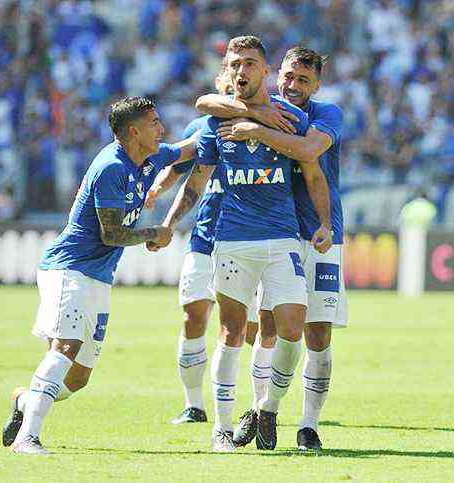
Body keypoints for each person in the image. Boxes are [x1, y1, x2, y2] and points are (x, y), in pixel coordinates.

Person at [152, 36, 332, 452]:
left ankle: (266, 407)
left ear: (265, 71)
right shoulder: (215, 120)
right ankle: (221, 429)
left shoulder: (290, 118)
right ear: (227, 70)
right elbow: (197, 171)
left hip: (282, 237)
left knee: (291, 331)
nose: (241, 71)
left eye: (250, 63)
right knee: (232, 332)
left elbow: (312, 172)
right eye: (235, 64)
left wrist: (324, 223)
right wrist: (160, 193)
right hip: (232, 240)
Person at [2, 97, 196, 455]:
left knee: (79, 378)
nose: (162, 129)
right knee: (65, 348)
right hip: (69, 269)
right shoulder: (111, 167)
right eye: (155, 123)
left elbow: (189, 149)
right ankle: (27, 438)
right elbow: (111, 234)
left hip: (99, 276)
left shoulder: (149, 156)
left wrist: (236, 120)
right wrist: (155, 233)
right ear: (134, 132)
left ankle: (26, 401)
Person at [196, 46, 345, 452]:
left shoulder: (319, 117)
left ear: (317, 84)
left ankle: (303, 423)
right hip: (254, 236)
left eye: (304, 80)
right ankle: (250, 415)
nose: (294, 86)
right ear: (274, 74)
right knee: (260, 329)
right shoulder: (233, 113)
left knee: (315, 332)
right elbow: (204, 104)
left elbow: (309, 156)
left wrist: (258, 128)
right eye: (290, 77)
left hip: (313, 232)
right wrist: (256, 114)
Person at [143, 69, 261, 425]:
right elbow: (181, 170)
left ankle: (259, 405)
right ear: (219, 89)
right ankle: (194, 405)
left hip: (249, 239)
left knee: (252, 328)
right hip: (206, 237)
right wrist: (157, 193)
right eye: (226, 85)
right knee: (194, 314)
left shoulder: (262, 128)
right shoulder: (202, 128)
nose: (231, 91)